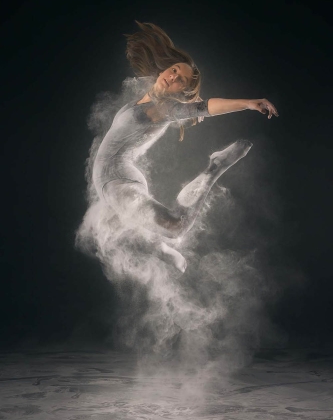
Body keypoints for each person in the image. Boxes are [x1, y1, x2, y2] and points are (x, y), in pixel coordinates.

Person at [92, 21, 279, 273]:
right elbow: (190, 102)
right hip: (114, 182)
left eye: (181, 80)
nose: (173, 77)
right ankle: (162, 248)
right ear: (162, 70)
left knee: (176, 225)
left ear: (182, 89)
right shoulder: (145, 97)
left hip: (117, 182)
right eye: (173, 70)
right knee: (119, 231)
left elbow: (204, 108)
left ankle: (216, 166)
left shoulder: (163, 109)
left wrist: (247, 103)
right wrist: (191, 98)